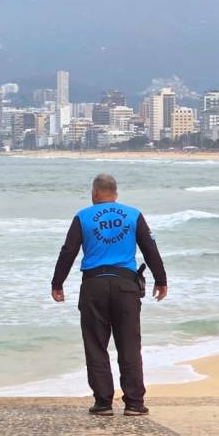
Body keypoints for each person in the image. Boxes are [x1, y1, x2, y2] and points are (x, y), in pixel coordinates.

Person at [51, 173, 167, 417]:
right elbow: (149, 248)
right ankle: (134, 403)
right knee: (129, 344)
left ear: (94, 193)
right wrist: (161, 279)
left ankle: (103, 402)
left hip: (94, 286)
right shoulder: (133, 215)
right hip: (126, 286)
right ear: (116, 193)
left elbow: (68, 251)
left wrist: (57, 283)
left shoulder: (83, 216)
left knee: (95, 344)